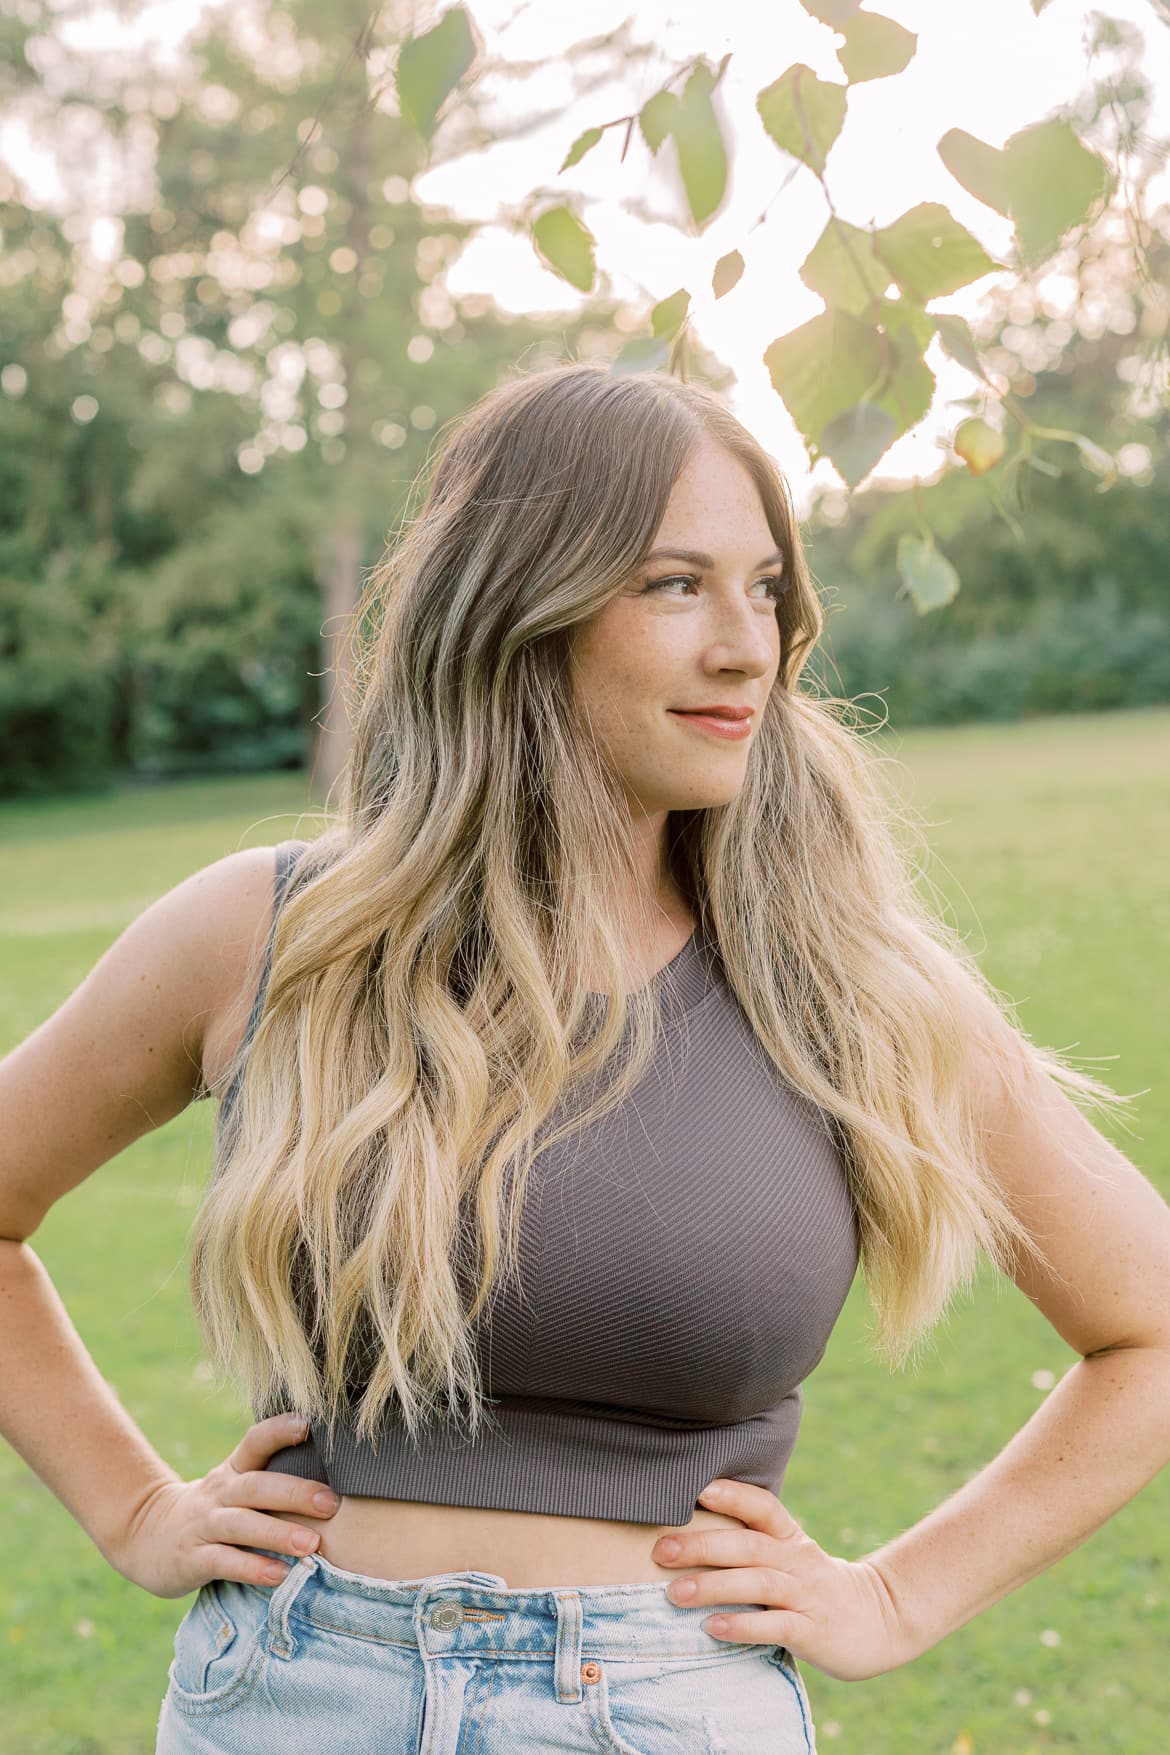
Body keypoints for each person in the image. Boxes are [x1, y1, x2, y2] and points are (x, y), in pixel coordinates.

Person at [3, 362, 1169, 1755]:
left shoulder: (842, 985)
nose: (746, 646)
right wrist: (135, 1511)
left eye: (763, 590)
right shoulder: (269, 935)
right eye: (675, 584)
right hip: (292, 1695)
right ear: (516, 610)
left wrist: (896, 1598)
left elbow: (1146, 1327)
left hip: (661, 1709)